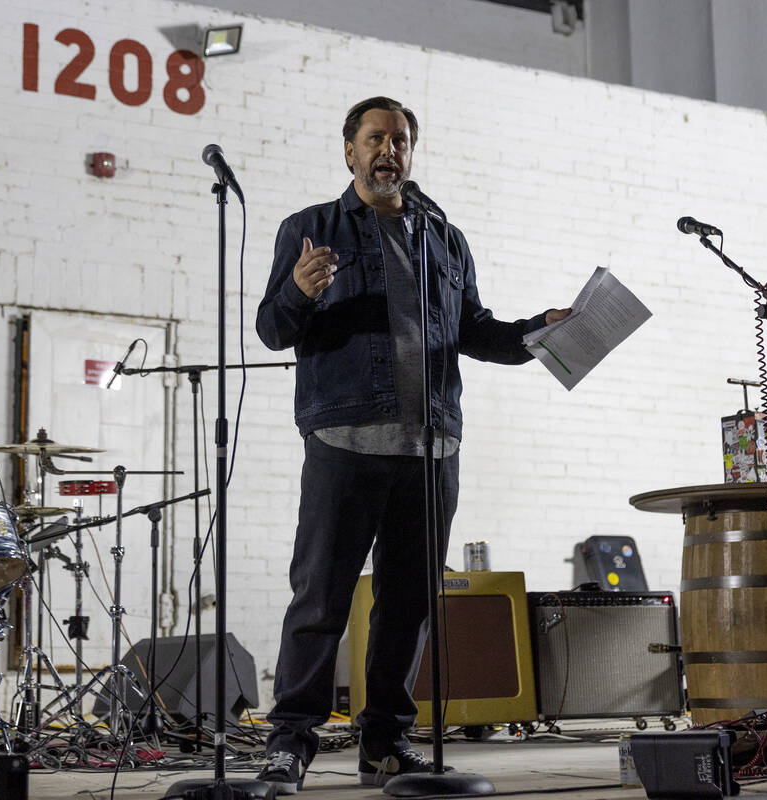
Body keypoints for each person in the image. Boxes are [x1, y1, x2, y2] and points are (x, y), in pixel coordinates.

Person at [254, 96, 570, 794]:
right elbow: (272, 329)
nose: (387, 150)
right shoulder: (310, 229)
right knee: (320, 599)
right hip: (345, 443)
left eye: (399, 139)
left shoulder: (443, 238)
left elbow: (477, 331)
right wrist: (301, 294)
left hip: (431, 449)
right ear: (349, 151)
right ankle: (290, 743)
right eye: (374, 138)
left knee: (408, 605)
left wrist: (538, 331)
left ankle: (386, 745)